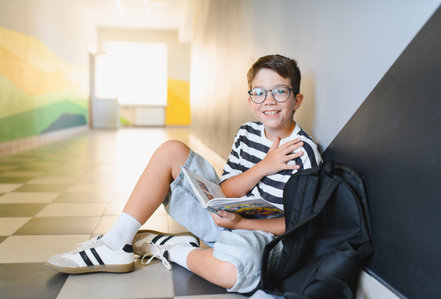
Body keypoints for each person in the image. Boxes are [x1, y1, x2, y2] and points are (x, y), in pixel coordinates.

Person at [47, 54, 322, 293]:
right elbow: (226, 190)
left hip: (262, 237)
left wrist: (241, 225)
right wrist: (264, 166)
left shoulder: (304, 151)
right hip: (223, 218)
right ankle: (117, 242)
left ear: (296, 100)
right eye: (259, 92)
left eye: (280, 92)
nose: (269, 101)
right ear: (251, 100)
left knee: (232, 273)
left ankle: (171, 247)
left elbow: (298, 226)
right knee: (171, 150)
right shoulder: (246, 132)